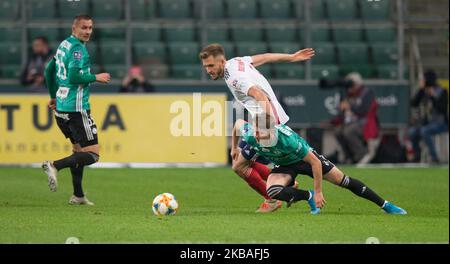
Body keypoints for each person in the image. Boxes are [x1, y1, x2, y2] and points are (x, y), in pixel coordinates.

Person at [199, 43, 315, 212]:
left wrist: (266, 125)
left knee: (240, 166)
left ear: (222, 61)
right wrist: (291, 57)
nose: (208, 70)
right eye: (205, 66)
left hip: (267, 123)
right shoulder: (237, 61)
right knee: (241, 164)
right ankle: (287, 183)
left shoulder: (234, 78)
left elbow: (259, 94)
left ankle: (274, 200)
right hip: (267, 120)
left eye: (211, 65)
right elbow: (266, 57)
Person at [232, 117, 407, 215]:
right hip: (285, 164)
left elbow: (314, 162)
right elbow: (237, 124)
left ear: (271, 132)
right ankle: (307, 196)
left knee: (343, 180)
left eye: (259, 132)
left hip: (306, 160)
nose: (255, 135)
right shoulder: (251, 135)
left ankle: (385, 205)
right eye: (254, 130)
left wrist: (319, 192)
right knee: (273, 191)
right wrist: (234, 148)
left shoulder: (288, 141)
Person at [42, 14, 111, 205]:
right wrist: (96, 77)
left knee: (78, 150)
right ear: (74, 29)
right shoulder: (78, 49)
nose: (88, 32)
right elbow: (73, 77)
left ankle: (78, 195)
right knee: (92, 155)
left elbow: (49, 70)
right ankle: (54, 165)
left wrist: (53, 96)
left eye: (90, 28)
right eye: (84, 28)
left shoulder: (64, 44)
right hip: (76, 109)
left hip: (62, 108)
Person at [331, 72, 379, 164]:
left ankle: (361, 154)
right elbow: (342, 111)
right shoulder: (347, 94)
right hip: (350, 122)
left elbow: (363, 111)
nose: (349, 88)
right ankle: (349, 156)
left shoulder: (367, 92)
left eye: (351, 86)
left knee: (349, 131)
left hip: (365, 122)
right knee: (338, 131)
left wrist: (350, 106)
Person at [408, 70, 448, 164]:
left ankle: (434, 158)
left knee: (425, 131)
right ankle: (417, 156)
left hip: (441, 123)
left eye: (423, 79)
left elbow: (442, 109)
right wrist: (421, 90)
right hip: (428, 123)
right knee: (412, 132)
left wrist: (433, 96)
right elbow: (414, 103)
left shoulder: (442, 91)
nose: (421, 81)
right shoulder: (424, 91)